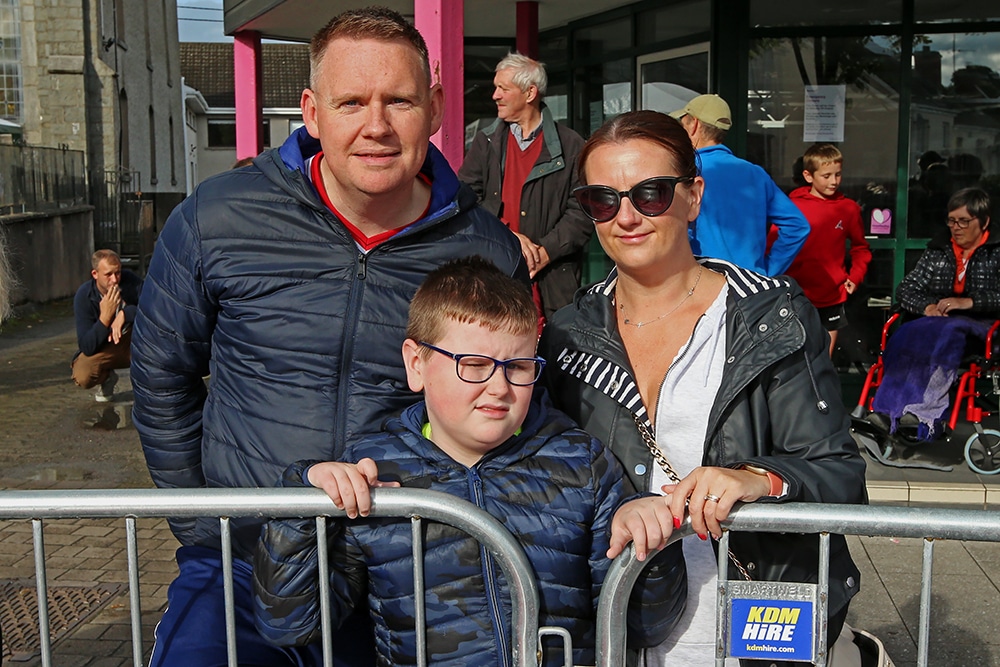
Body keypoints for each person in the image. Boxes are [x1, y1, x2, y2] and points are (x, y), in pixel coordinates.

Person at [130, 7, 526, 666]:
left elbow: (510, 406)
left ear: (433, 107)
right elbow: (160, 375)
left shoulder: (486, 248)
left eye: (398, 100)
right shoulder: (218, 217)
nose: (376, 125)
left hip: (402, 573)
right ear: (312, 113)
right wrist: (205, 527)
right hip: (241, 565)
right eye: (352, 102)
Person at [540, 110, 867, 667]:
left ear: (693, 196)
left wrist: (756, 476)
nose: (626, 217)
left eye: (650, 194)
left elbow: (838, 470)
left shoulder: (770, 316)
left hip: (752, 635)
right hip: (617, 635)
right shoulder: (569, 331)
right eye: (603, 199)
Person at [252, 256, 686, 666]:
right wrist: (305, 504)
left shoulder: (581, 463)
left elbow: (645, 623)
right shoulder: (373, 471)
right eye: (474, 365)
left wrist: (653, 542)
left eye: (517, 367)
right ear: (416, 364)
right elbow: (291, 623)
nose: (499, 387)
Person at [458, 53, 591, 320]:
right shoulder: (486, 143)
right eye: (496, 88)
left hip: (554, 285)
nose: (495, 95)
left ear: (530, 93)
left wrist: (544, 252)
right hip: (494, 273)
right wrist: (507, 237)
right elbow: (464, 199)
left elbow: (583, 210)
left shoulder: (572, 145)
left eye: (503, 89)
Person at [870, 187, 1000, 439]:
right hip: (935, 323)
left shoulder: (996, 251)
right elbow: (906, 289)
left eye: (964, 221)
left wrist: (969, 302)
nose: (956, 227)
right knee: (907, 331)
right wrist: (927, 307)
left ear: (984, 222)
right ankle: (887, 410)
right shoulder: (939, 249)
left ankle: (923, 414)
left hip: (982, 326)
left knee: (945, 332)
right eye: (952, 221)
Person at [670, 94, 809, 276]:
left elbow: (673, 231)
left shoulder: (685, 172)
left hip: (705, 285)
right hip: (751, 289)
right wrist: (767, 272)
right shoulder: (755, 174)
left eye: (683, 124)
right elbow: (797, 226)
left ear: (694, 124)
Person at [785, 143, 872, 356]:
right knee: (794, 360)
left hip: (832, 295)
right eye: (826, 176)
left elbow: (861, 248)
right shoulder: (791, 206)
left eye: (838, 175)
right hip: (795, 293)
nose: (834, 181)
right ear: (808, 175)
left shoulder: (848, 208)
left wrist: (855, 276)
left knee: (823, 361)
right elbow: (774, 245)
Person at [71, 249, 142, 402]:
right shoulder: (84, 296)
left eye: (117, 273)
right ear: (95, 274)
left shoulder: (130, 282)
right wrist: (105, 318)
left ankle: (154, 387)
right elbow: (86, 346)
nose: (115, 280)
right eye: (108, 275)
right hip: (107, 347)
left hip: (134, 343)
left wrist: (125, 314)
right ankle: (107, 378)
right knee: (83, 374)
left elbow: (154, 307)